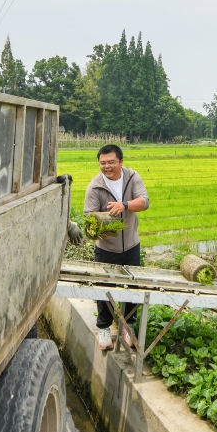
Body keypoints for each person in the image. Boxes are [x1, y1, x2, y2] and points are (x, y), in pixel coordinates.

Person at [83, 144, 149, 350]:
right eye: (103, 163)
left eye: (111, 162)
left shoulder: (132, 177)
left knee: (133, 286)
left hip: (131, 245)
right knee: (104, 288)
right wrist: (98, 228)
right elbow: (89, 216)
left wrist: (124, 205)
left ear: (120, 161)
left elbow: (144, 202)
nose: (107, 166)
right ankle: (103, 328)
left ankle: (127, 326)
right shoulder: (95, 186)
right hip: (106, 249)